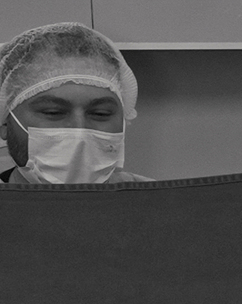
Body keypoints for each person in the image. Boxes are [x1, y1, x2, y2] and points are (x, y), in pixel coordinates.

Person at [0, 22, 143, 186]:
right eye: (53, 112)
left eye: (100, 113)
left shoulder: (158, 199)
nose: (79, 130)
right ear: (5, 123)